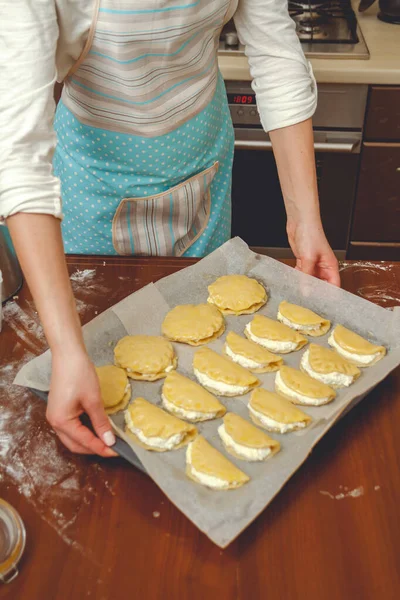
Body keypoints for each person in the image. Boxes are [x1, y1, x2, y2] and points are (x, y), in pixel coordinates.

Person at [0, 0, 340, 458]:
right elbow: (19, 154)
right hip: (94, 180)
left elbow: (276, 58)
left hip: (200, 156)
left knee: (208, 333)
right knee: (95, 341)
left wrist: (306, 223)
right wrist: (67, 351)